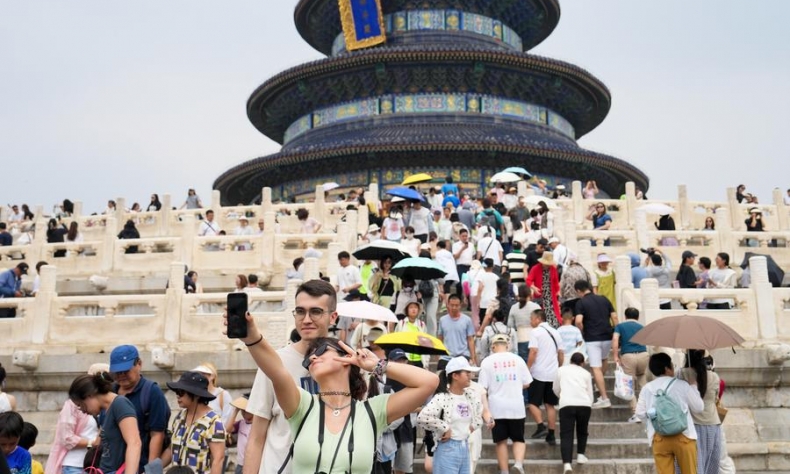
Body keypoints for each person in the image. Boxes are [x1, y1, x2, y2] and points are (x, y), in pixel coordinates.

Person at [230, 316, 439, 473]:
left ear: (347, 358)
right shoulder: (303, 405)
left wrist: (376, 365)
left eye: (321, 351)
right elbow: (276, 371)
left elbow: (429, 382)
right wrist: (252, 338)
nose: (313, 358)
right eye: (309, 359)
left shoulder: (372, 411)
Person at [244, 280, 339, 474]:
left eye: (316, 312)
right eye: (300, 311)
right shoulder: (274, 362)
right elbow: (256, 437)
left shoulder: (346, 364)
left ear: (333, 317)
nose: (306, 320)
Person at [635, 353, 704, 474]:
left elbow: (640, 413)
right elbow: (699, 408)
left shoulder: (647, 388)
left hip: (659, 437)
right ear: (667, 368)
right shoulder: (682, 385)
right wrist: (693, 386)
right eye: (672, 365)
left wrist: (655, 421)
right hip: (684, 436)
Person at [109, 345, 170, 473]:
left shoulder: (152, 392)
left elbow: (157, 434)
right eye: (117, 372)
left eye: (126, 371)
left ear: (139, 364)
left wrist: (150, 470)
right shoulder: (110, 392)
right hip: (111, 466)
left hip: (139, 466)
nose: (121, 375)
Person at [417, 357, 483, 474]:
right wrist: (445, 428)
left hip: (464, 447)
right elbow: (423, 417)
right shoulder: (442, 397)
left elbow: (479, 417)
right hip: (447, 449)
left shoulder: (470, 396)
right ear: (455, 376)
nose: (470, 376)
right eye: (467, 373)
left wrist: (469, 429)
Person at [68, 372, 142, 474]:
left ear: (89, 395)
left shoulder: (120, 404)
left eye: (81, 405)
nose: (83, 410)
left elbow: (134, 443)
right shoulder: (105, 411)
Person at [478, 335, 532, 474]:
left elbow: (482, 388)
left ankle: (504, 471)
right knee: (518, 438)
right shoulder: (518, 359)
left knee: (501, 441)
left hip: (497, 408)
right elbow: (527, 383)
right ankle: (518, 464)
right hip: (516, 406)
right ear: (507, 346)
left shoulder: (487, 362)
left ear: (493, 347)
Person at [46, 364, 106, 474]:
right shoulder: (72, 404)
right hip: (75, 465)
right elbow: (66, 437)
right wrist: (92, 443)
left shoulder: (107, 404)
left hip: (98, 464)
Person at [163, 372, 225, 474]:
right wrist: (149, 470)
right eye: (177, 391)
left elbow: (218, 460)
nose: (177, 396)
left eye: (181, 392)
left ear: (196, 395)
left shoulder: (213, 422)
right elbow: (171, 449)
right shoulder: (180, 417)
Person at [574, 280, 617, 409]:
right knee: (604, 360)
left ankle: (604, 398)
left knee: (595, 367)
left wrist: (582, 331)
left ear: (579, 291)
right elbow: (614, 317)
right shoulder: (604, 299)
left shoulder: (581, 302)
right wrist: (616, 332)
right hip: (607, 336)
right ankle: (599, 384)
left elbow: (578, 321)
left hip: (592, 338)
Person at [677, 350, 722, 474]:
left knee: (693, 466)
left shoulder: (682, 374)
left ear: (687, 356)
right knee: (710, 466)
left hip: (692, 426)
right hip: (713, 424)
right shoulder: (714, 376)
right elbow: (716, 398)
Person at [553, 352, 593, 474]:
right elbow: (590, 393)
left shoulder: (561, 370)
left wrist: (562, 396)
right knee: (582, 431)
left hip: (566, 404)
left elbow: (555, 388)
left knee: (566, 434)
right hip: (584, 404)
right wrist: (589, 403)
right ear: (582, 363)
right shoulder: (586, 373)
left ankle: (567, 465)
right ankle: (580, 455)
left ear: (570, 360)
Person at [527, 309, 563, 445]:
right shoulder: (555, 332)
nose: (530, 322)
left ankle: (541, 426)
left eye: (531, 319)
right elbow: (561, 353)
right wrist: (559, 367)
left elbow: (533, 351)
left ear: (538, 319)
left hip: (538, 373)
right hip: (553, 374)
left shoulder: (535, 332)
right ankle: (551, 434)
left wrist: (527, 368)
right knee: (550, 405)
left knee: (532, 403)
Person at [612, 308, 648, 423]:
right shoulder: (642, 327)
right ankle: (646, 409)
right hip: (643, 355)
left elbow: (615, 339)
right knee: (643, 381)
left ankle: (636, 413)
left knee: (629, 385)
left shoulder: (620, 326)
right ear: (637, 317)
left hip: (628, 356)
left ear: (625, 316)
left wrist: (615, 356)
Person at [437, 294, 477, 369]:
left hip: (463, 356)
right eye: (452, 305)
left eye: (456, 305)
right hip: (446, 357)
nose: (454, 308)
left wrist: (473, 357)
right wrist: (438, 355)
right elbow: (440, 339)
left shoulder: (467, 320)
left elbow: (470, 339)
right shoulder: (442, 320)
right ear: (448, 305)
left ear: (460, 305)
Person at [192, 364, 234, 432]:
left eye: (203, 374)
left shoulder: (223, 395)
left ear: (212, 376)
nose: (199, 377)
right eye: (198, 374)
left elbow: (227, 420)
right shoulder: (195, 395)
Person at [508, 285, 540, 364]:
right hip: (535, 338)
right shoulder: (536, 306)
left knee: (523, 363)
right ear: (529, 294)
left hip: (520, 338)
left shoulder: (514, 307)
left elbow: (510, 325)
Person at [393, 301, 428, 367]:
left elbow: (425, 342)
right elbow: (396, 340)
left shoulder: (422, 324)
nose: (413, 309)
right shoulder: (401, 324)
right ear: (407, 310)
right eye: (411, 307)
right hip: (406, 358)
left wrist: (426, 361)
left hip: (419, 359)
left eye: (415, 307)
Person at [227, 395, 253, 474]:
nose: (243, 413)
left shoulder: (257, 426)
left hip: (252, 464)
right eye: (242, 410)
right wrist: (235, 411)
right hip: (240, 464)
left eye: (245, 410)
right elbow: (228, 429)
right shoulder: (241, 423)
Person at [476, 258, 500, 325]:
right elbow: (498, 290)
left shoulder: (481, 276)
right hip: (493, 302)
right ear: (493, 266)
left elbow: (480, 288)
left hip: (483, 302)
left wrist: (478, 301)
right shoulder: (496, 277)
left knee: (482, 321)